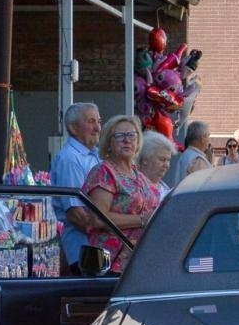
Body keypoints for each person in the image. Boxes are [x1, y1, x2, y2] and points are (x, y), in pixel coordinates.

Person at [82, 114, 161, 273]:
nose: (127, 140)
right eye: (119, 136)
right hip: (110, 265)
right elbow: (98, 218)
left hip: (138, 262)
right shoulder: (104, 171)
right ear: (108, 143)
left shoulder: (138, 173)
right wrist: (142, 220)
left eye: (132, 135)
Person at [52, 102, 103, 265]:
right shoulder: (70, 158)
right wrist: (108, 234)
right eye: (91, 121)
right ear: (73, 128)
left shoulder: (95, 155)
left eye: (99, 121)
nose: (98, 128)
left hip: (98, 248)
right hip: (84, 250)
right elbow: (75, 213)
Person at [165, 120, 213, 190]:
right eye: (208, 136)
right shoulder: (198, 160)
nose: (209, 140)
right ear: (203, 138)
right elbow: (203, 189)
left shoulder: (186, 155)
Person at [138, 130, 177, 201]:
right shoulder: (134, 187)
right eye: (162, 159)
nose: (167, 165)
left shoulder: (167, 191)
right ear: (145, 159)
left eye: (168, 160)